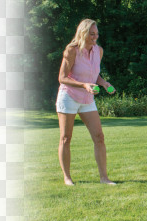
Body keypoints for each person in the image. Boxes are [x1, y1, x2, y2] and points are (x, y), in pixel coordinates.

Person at [56, 19, 116, 186]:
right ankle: (67, 178)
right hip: (69, 96)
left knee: (99, 137)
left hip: (87, 99)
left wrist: (103, 83)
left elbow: (93, 74)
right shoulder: (72, 50)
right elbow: (62, 77)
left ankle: (104, 178)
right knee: (66, 138)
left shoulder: (99, 51)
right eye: (92, 34)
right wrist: (83, 85)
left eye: (96, 34)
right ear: (83, 33)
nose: (95, 37)